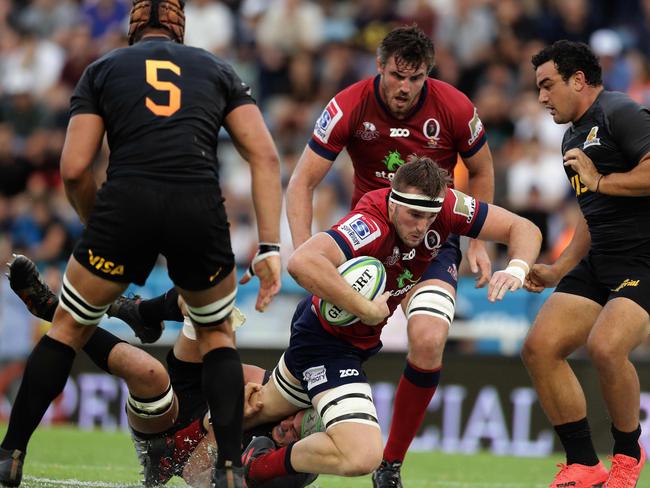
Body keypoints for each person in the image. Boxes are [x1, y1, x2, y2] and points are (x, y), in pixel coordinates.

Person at [0, 1, 283, 487]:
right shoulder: (217, 68)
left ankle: (10, 455)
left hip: (126, 202)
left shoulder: (103, 68)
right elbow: (265, 155)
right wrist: (271, 246)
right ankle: (232, 468)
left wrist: (100, 229)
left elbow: (73, 169)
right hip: (198, 204)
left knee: (67, 328)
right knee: (218, 337)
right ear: (180, 27)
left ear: (133, 28)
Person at [239, 156, 540, 486]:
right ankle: (252, 465)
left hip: (351, 341)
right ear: (394, 203)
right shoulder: (370, 223)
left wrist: (517, 268)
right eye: (414, 215)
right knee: (360, 453)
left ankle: (189, 443)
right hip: (330, 342)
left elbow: (523, 228)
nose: (422, 227)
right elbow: (302, 261)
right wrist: (364, 308)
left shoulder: (449, 206)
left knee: (258, 408)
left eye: (430, 217)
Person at [285, 24, 496, 487]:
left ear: (428, 75)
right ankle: (285, 417)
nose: (405, 87)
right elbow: (302, 181)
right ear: (379, 67)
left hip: (435, 240)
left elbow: (481, 168)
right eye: (397, 76)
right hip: (374, 240)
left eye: (416, 78)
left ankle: (391, 464)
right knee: (331, 329)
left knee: (427, 339)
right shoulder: (347, 105)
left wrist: (477, 241)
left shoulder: (456, 107)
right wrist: (306, 254)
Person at [5, 254, 318, 488]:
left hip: (174, 447)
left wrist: (222, 423)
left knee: (146, 371)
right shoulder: (279, 397)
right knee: (201, 299)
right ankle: (139, 312)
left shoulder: (289, 471)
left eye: (295, 435)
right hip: (197, 388)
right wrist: (231, 395)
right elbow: (230, 371)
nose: (288, 425)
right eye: (294, 417)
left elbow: (196, 476)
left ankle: (53, 310)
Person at [522, 40, 650, 487]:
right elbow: (589, 212)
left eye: (547, 85)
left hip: (643, 257)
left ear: (578, 80)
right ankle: (582, 463)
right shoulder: (572, 136)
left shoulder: (621, 111)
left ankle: (628, 459)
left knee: (606, 347)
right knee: (539, 347)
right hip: (599, 259)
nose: (541, 97)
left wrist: (601, 179)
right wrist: (558, 269)